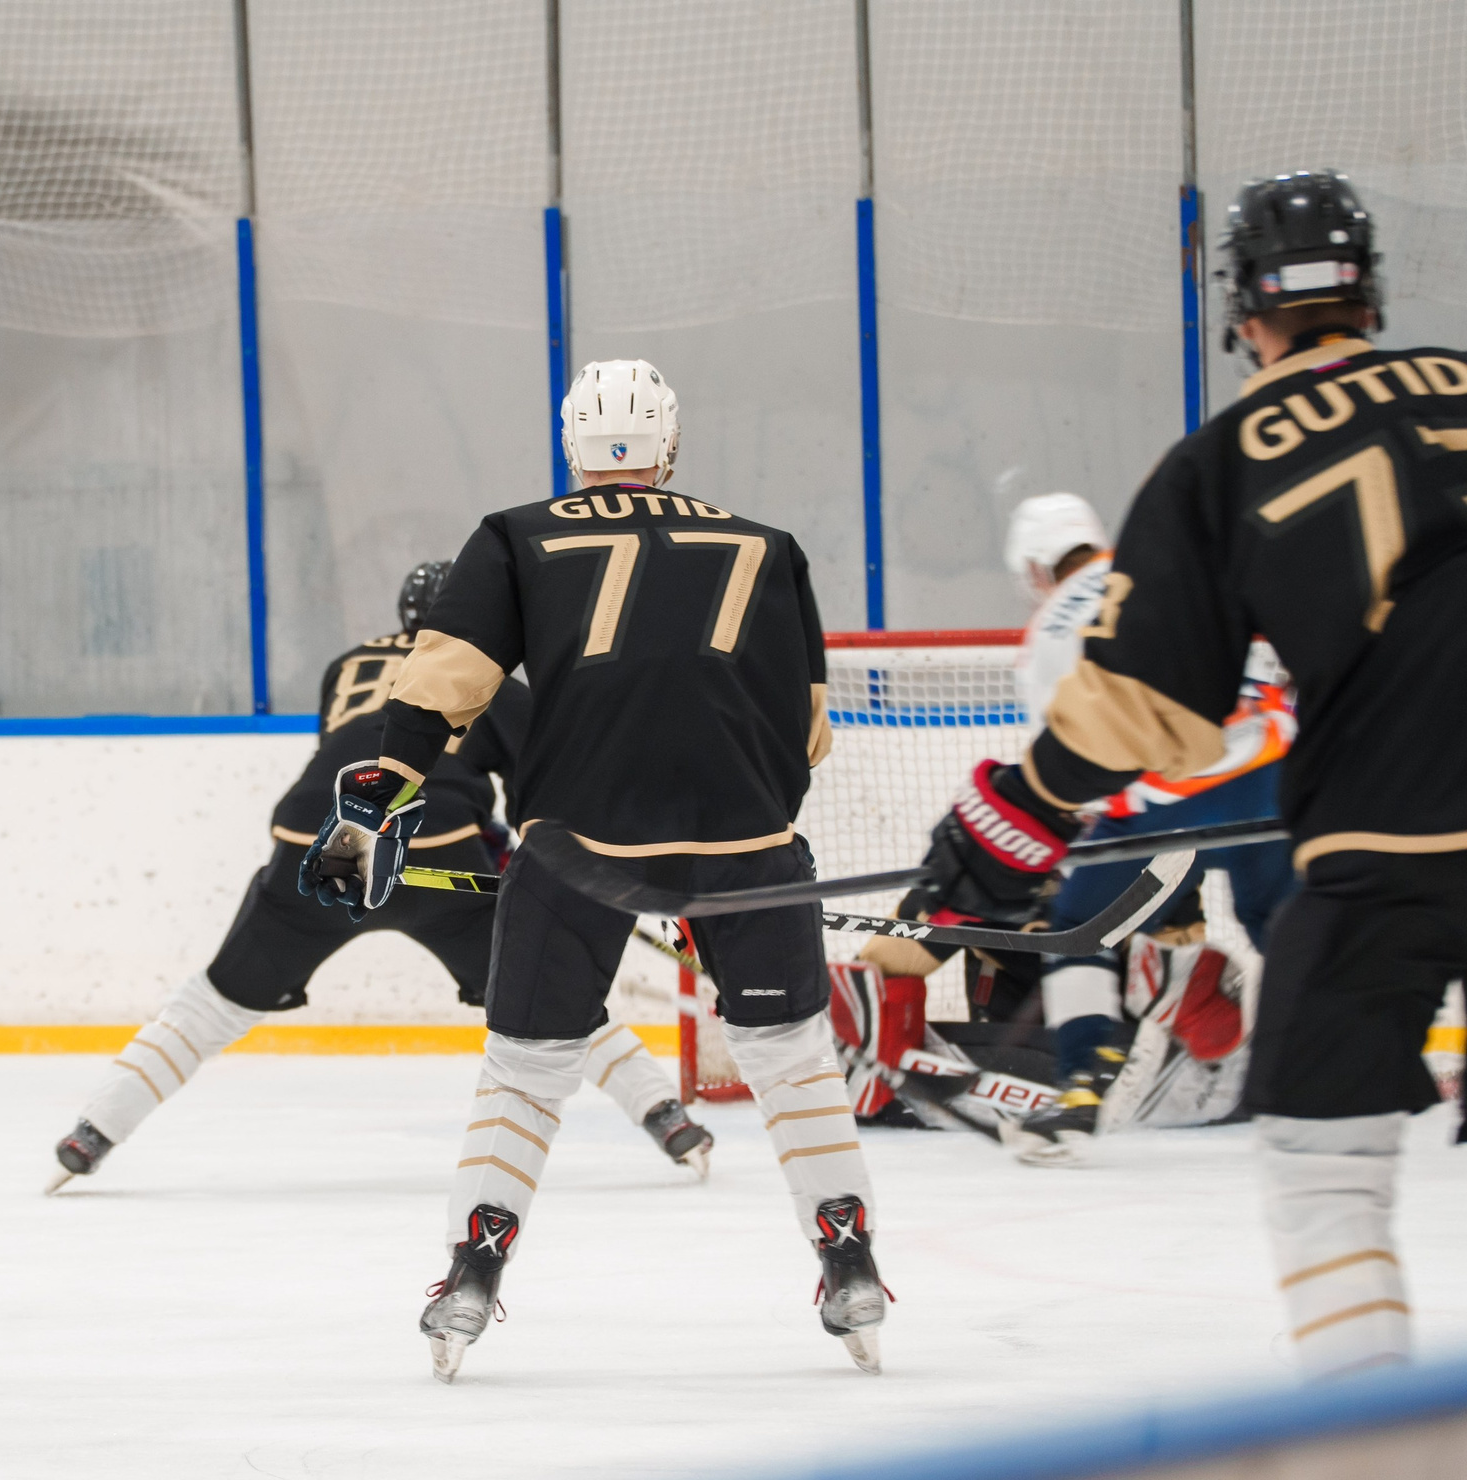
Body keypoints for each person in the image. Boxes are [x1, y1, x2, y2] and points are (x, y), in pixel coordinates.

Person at [904, 170, 1467, 1377]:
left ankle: (1366, 1468)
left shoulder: (1218, 467)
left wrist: (1022, 803)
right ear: (1365, 292)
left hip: (1392, 824)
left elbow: (1150, 705)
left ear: (1242, 310)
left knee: (1323, 1159)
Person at [305, 360, 888, 1381]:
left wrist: (371, 804)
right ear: (670, 444)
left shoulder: (516, 535)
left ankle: (472, 1273)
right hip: (747, 846)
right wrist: (740, 831)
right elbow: (806, 733)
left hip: (576, 844)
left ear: (571, 442)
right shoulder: (768, 545)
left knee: (528, 1067)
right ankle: (849, 1263)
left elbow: (444, 685)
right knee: (789, 1057)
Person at [47, 560, 714, 1194]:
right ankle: (668, 1120)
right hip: (437, 846)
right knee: (551, 997)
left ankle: (93, 1132)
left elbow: (349, 756)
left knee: (217, 998)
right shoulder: (494, 679)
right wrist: (529, 859)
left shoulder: (348, 665)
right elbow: (537, 798)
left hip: (316, 846)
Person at [994, 492, 1300, 1161]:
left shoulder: (1049, 628)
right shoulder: (1179, 567)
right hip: (1271, 774)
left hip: (1162, 797)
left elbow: (1069, 756)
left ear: (1037, 566)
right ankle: (1326, 1069)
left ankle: (1084, 1083)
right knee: (1285, 925)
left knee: (1079, 925)